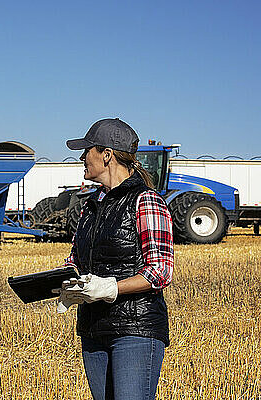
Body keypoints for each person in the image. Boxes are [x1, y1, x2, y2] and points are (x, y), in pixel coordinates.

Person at [58, 118, 174, 400]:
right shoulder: (91, 206)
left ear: (107, 155)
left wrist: (110, 288)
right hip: (93, 329)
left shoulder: (146, 201)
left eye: (88, 151)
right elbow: (76, 258)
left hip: (135, 331)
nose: (83, 157)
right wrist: (68, 280)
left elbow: (160, 270)